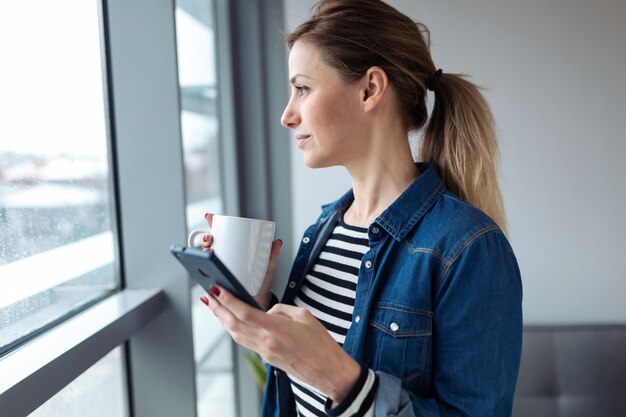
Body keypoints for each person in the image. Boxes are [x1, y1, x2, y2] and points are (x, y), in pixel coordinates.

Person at [198, 0, 523, 416]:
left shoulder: (468, 249)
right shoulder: (325, 227)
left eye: (302, 88)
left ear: (370, 89)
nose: (287, 115)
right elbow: (304, 384)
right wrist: (258, 308)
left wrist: (342, 380)